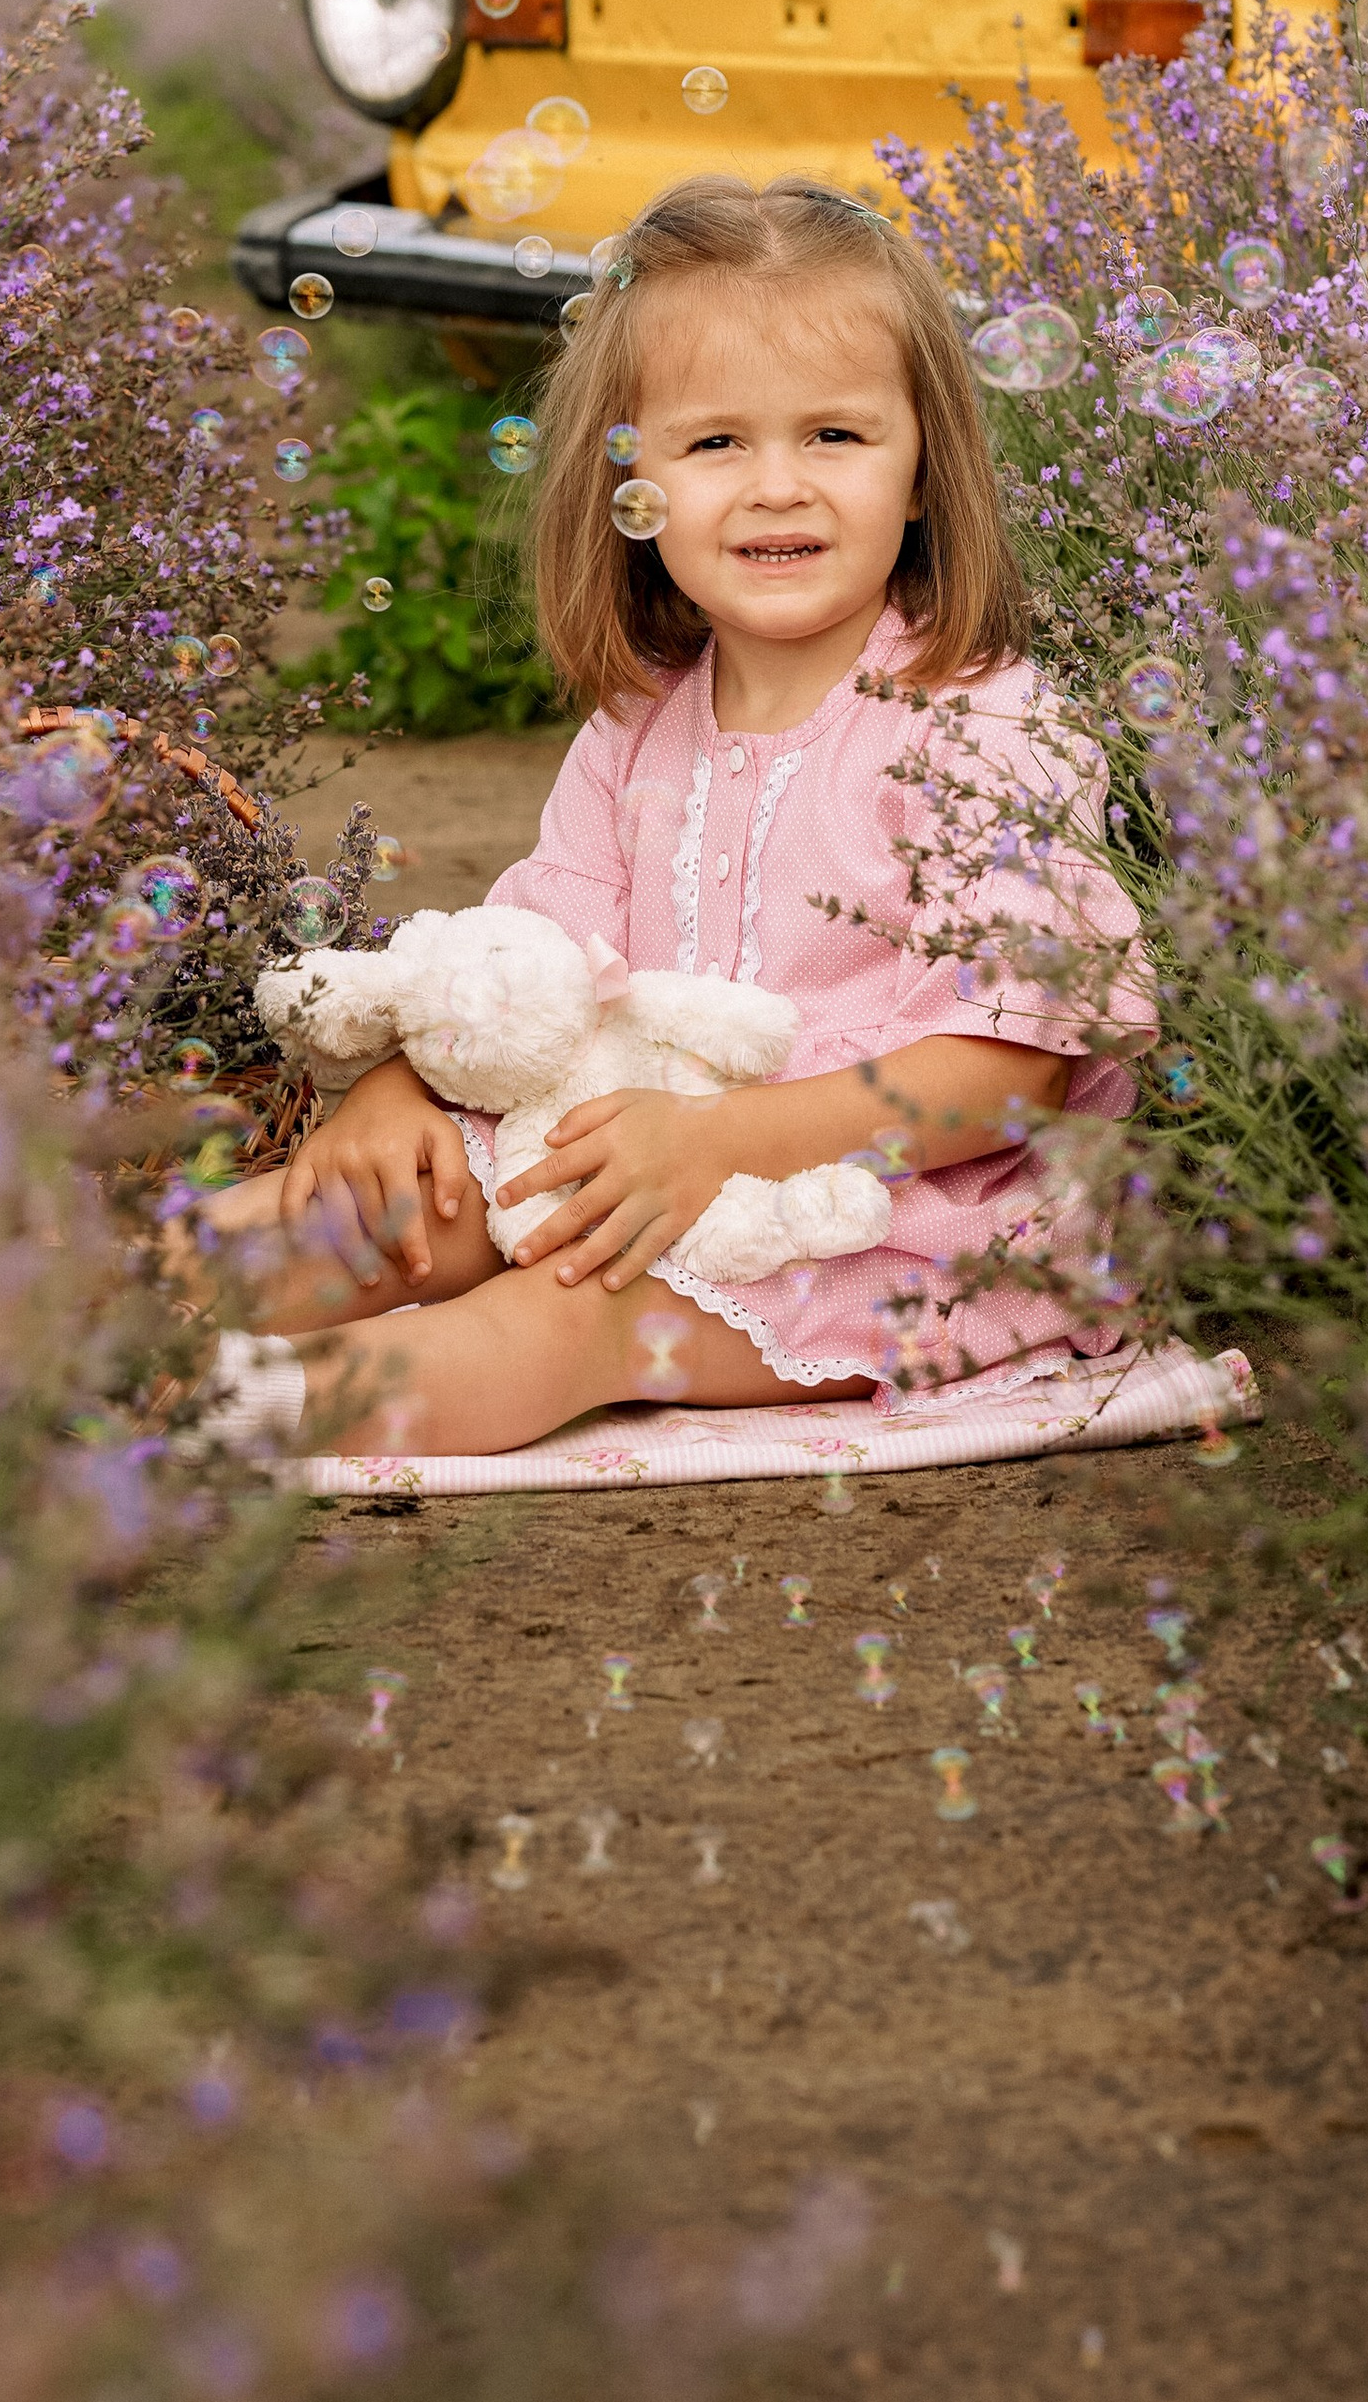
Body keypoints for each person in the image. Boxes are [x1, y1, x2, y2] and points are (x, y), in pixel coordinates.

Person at [209, 173, 1156, 1459]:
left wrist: (720, 1144)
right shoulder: (643, 723)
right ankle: (24, 1331)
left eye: (835, 436)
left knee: (572, 1315)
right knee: (390, 1208)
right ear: (631, 479)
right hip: (635, 1151)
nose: (778, 488)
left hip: (888, 1220)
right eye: (716, 444)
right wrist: (392, 1085)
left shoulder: (982, 729)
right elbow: (525, 974)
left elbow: (1015, 1067)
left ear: (924, 467)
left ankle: (211, 1413)